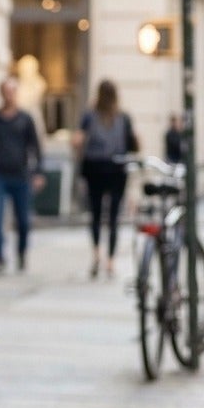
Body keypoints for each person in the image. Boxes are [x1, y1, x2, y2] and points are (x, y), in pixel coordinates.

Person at [0, 76, 43, 274]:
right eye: (6, 91)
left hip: (21, 176)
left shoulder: (25, 119)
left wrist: (38, 172)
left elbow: (36, 147)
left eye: (12, 91)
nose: (9, 95)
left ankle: (22, 252)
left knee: (23, 221)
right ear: (1, 93)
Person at [77, 80, 138, 280]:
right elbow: (133, 143)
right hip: (116, 169)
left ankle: (97, 254)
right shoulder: (123, 117)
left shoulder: (89, 116)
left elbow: (78, 140)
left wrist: (80, 154)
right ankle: (110, 261)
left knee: (95, 215)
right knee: (113, 218)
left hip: (95, 168)